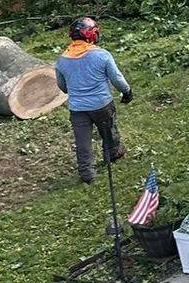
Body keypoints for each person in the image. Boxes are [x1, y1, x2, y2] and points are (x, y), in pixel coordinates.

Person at [56, 17, 133, 184]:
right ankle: (112, 154)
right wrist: (126, 92)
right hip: (101, 105)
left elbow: (62, 86)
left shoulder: (62, 60)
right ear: (91, 35)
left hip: (77, 108)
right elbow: (117, 79)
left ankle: (87, 173)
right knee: (109, 132)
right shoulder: (101, 55)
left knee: (82, 141)